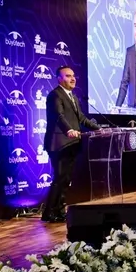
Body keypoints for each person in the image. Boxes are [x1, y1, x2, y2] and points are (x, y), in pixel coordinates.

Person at [43, 66, 102, 222]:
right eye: (68, 76)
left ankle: (59, 211)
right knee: (60, 178)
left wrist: (99, 129)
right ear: (59, 79)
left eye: (73, 76)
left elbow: (81, 119)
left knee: (66, 179)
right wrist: (68, 130)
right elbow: (59, 116)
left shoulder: (73, 97)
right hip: (59, 144)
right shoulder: (55, 95)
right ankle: (49, 212)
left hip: (72, 144)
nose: (73, 78)